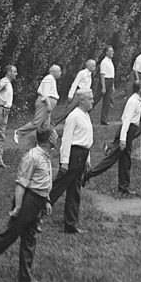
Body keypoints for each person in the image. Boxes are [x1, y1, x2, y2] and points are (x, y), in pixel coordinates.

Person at [0, 125, 57, 282]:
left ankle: (25, 278)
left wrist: (46, 200)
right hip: (27, 201)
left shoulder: (45, 156)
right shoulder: (32, 157)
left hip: (37, 202)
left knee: (30, 238)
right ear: (51, 139)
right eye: (56, 135)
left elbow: (43, 182)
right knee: (10, 235)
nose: (58, 138)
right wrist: (18, 207)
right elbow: (21, 184)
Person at [82, 81, 141, 195]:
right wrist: (123, 139)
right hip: (126, 132)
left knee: (125, 160)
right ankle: (88, 174)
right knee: (111, 159)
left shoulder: (136, 100)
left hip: (129, 132)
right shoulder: (133, 101)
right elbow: (126, 120)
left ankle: (123, 187)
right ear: (140, 89)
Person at [48, 88, 94, 233]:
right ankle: (33, 214)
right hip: (74, 156)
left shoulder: (85, 115)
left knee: (75, 190)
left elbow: (87, 140)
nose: (93, 101)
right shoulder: (73, 116)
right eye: (90, 99)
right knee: (58, 187)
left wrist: (87, 159)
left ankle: (70, 224)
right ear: (81, 101)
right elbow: (67, 140)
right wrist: (65, 162)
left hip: (82, 155)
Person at [14, 65, 61, 143]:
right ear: (54, 72)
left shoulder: (52, 79)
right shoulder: (48, 78)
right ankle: (19, 132)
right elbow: (45, 93)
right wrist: (49, 105)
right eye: (59, 71)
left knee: (46, 125)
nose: (60, 73)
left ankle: (45, 142)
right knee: (36, 123)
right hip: (44, 104)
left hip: (47, 104)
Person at [52, 59, 96, 126]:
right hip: (78, 94)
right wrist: (70, 95)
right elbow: (75, 83)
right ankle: (53, 123)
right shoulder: (82, 73)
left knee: (83, 111)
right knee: (68, 110)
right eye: (93, 65)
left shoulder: (90, 75)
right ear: (88, 66)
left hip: (85, 95)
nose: (94, 67)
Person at [0, 65, 18, 167]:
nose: (16, 74)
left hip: (5, 111)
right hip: (1, 110)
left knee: (0, 135)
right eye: (14, 72)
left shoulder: (8, 83)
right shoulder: (4, 81)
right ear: (9, 72)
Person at [93, 45, 115, 125]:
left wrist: (112, 85)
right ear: (107, 52)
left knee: (107, 101)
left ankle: (104, 119)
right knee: (96, 99)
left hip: (110, 81)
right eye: (111, 51)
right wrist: (103, 87)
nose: (113, 53)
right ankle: (85, 113)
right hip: (105, 81)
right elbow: (102, 74)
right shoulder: (104, 62)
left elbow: (111, 74)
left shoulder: (110, 61)